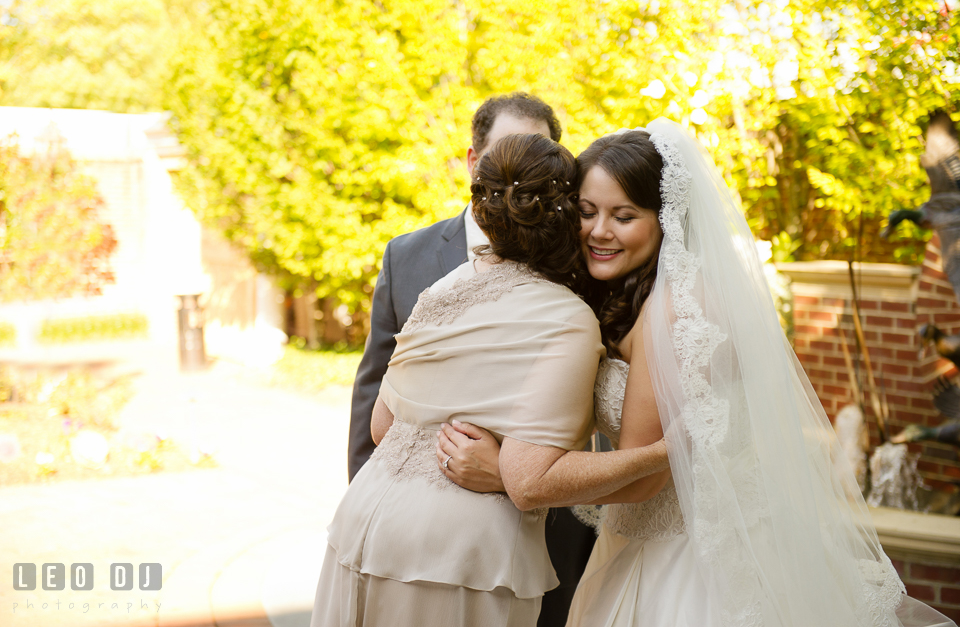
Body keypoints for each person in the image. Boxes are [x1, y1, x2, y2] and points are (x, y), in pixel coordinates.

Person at [441, 120, 958, 627]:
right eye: (587, 211)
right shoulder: (635, 296)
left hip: (687, 563)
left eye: (623, 216)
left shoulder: (674, 313)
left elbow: (647, 480)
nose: (599, 231)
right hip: (643, 543)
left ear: (666, 218)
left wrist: (510, 475)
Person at [312, 133, 670, 627]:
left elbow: (381, 426)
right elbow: (530, 481)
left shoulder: (443, 287)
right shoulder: (565, 317)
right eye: (586, 211)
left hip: (360, 529)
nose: (597, 229)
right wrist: (666, 452)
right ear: (564, 213)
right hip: (457, 558)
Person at [347, 92, 598, 626]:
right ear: (473, 162)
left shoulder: (584, 268)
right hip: (399, 531)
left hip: (539, 536)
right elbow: (372, 407)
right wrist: (369, 503)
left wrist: (504, 469)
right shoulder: (409, 257)